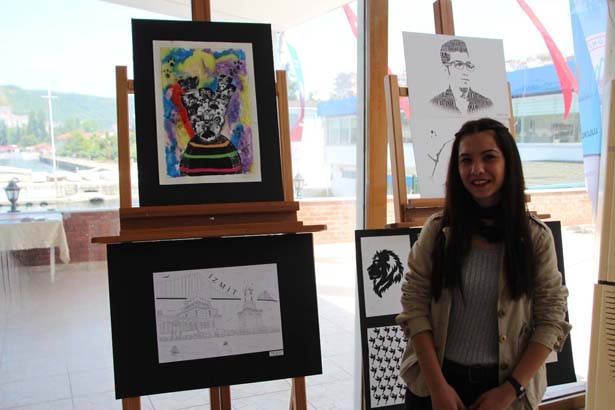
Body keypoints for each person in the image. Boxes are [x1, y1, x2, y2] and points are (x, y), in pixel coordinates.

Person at [395, 118, 571, 410]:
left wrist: (509, 390)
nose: (476, 169)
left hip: (506, 390)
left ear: (508, 163)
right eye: (466, 160)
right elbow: (414, 306)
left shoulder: (535, 238)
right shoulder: (437, 231)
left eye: (489, 157)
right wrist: (437, 387)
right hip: (436, 385)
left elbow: (552, 319)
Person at [430, 39, 493, 114]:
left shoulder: (486, 104)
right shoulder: (435, 104)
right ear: (445, 70)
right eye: (459, 65)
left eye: (468, 65)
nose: (465, 72)